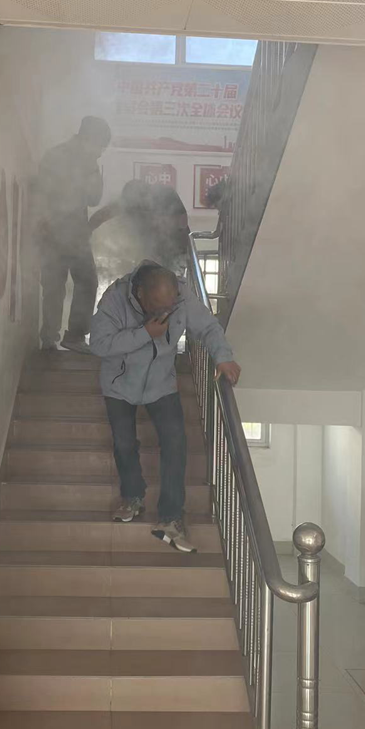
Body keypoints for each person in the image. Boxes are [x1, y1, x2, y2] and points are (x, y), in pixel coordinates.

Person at [90, 261, 241, 552]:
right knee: (124, 443)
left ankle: (170, 518)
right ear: (140, 294)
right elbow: (98, 344)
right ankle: (132, 497)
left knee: (175, 442)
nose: (166, 313)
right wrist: (145, 333)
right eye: (158, 306)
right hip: (119, 385)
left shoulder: (181, 297)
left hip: (161, 383)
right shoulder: (114, 299)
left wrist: (223, 356)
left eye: (170, 306)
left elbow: (208, 327)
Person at [35, 116, 112, 353]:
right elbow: (91, 198)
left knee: (57, 284)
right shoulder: (64, 158)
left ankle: (52, 338)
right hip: (61, 229)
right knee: (80, 281)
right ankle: (71, 336)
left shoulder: (58, 156)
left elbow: (93, 199)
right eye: (100, 146)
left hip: (64, 230)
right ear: (88, 139)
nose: (100, 153)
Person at [90, 180, 190, 275]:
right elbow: (103, 214)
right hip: (153, 247)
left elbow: (182, 220)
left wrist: (163, 226)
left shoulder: (164, 195)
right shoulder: (130, 204)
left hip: (176, 244)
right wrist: (87, 231)